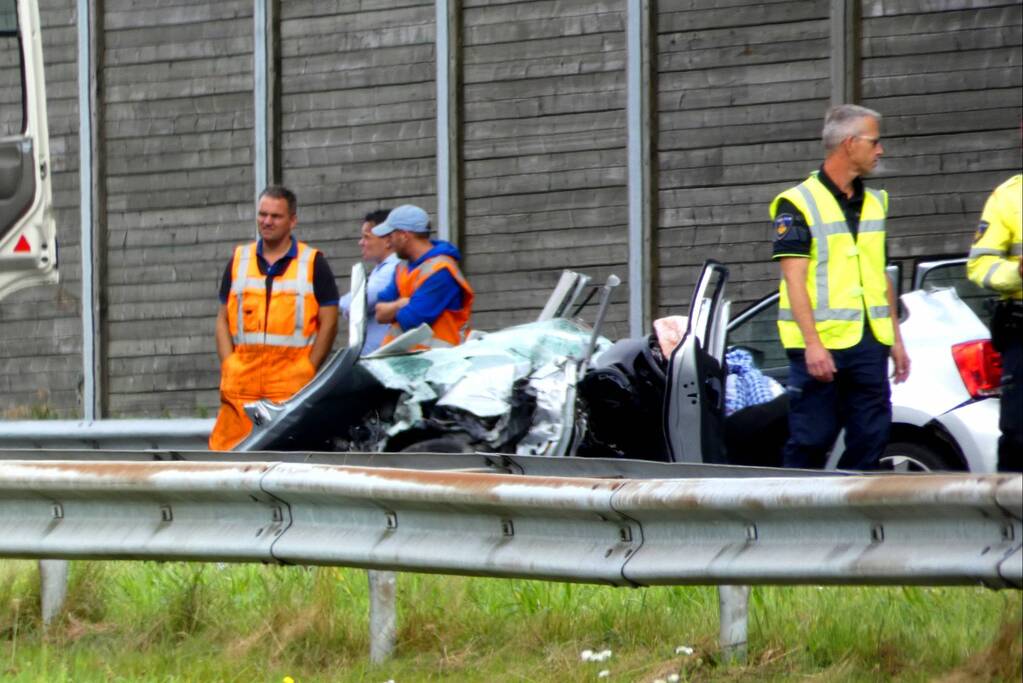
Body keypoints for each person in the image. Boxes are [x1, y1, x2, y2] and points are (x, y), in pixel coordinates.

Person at [770, 104, 910, 470]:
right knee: (811, 439)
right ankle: (790, 521)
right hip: (821, 346)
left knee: (872, 436)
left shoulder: (875, 203)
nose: (880, 150)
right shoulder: (797, 203)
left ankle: (849, 517)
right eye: (874, 142)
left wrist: (895, 338)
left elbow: (879, 275)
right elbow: (794, 279)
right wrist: (813, 344)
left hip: (868, 343)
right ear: (850, 144)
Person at [209, 185, 339, 450]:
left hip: (288, 387)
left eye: (275, 216)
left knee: (286, 461)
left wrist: (307, 369)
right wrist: (229, 363)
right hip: (240, 388)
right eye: (262, 214)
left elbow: (330, 322)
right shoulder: (238, 259)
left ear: (292, 221)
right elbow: (222, 318)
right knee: (226, 460)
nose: (267, 221)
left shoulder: (313, 263)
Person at [967, 172, 1022, 472]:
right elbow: (979, 265)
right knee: (1017, 435)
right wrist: (1017, 274)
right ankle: (1012, 517)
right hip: (1021, 331)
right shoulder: (1008, 196)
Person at [373, 204, 474, 349]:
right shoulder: (402, 267)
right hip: (405, 362)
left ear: (404, 235)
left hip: (436, 363)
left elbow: (412, 320)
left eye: (390, 236)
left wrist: (393, 308)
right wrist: (401, 304)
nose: (388, 242)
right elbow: (379, 313)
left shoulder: (441, 271)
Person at [338, 209, 400, 354]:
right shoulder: (382, 269)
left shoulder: (391, 270)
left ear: (388, 241)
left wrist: (344, 305)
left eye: (367, 237)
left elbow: (356, 302)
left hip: (382, 360)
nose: (361, 243)